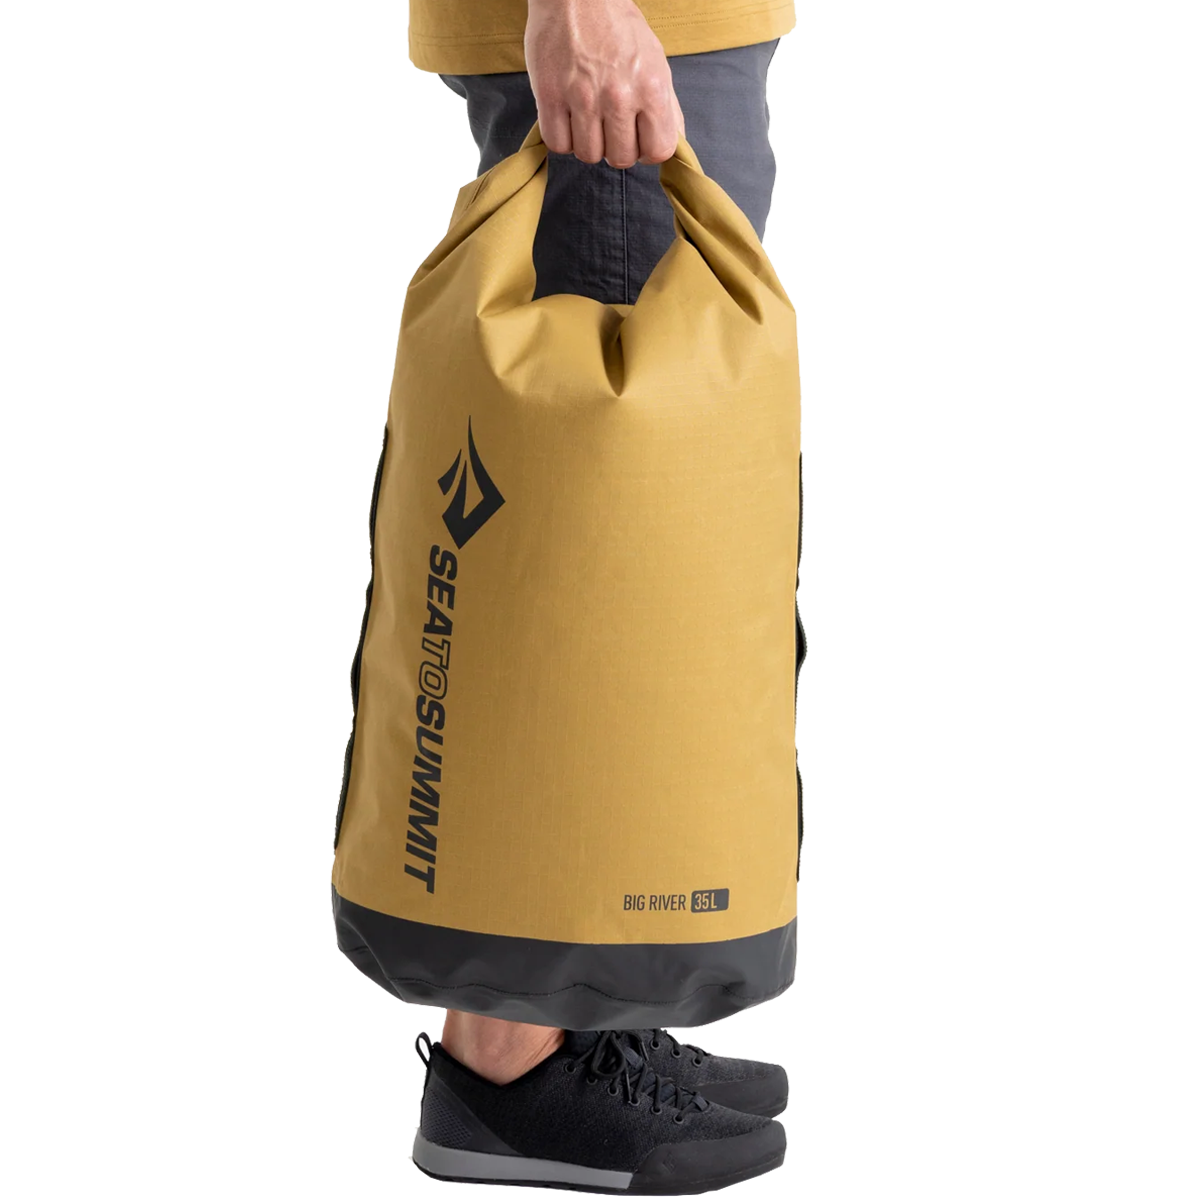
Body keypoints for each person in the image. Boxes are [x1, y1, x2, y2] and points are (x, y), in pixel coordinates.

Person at [402, 0, 796, 1192]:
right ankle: (507, 1062)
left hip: (670, 29)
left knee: (619, 576)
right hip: (628, 31)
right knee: (587, 570)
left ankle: (574, 1015)